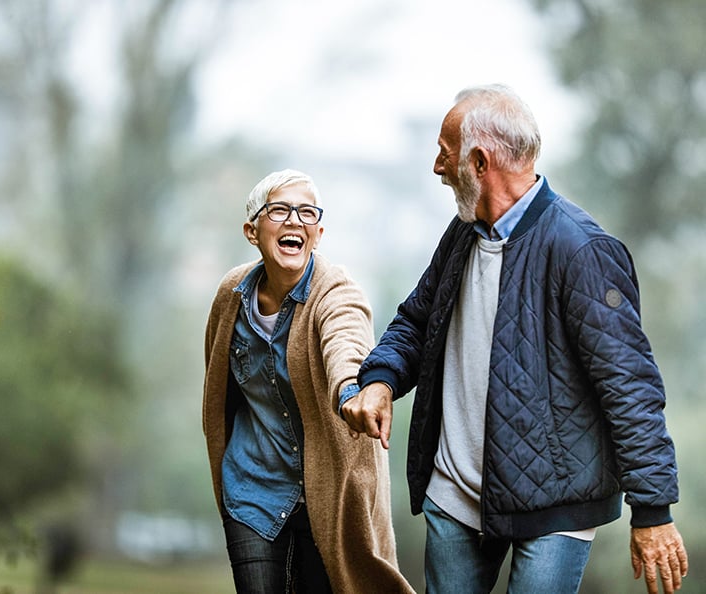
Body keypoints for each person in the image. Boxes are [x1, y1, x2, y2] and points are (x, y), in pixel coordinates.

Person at [341, 85, 689, 594]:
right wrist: (379, 380)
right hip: (455, 497)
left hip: (555, 506)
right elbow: (417, 322)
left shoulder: (582, 249)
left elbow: (629, 387)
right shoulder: (462, 233)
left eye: (444, 153)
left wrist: (652, 510)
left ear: (479, 162)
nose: (437, 168)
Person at [203, 169, 414, 593]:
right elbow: (218, 384)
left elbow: (346, 345)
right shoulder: (232, 296)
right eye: (279, 210)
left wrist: (352, 393)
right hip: (252, 487)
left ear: (318, 233)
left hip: (327, 495)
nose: (294, 221)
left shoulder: (336, 290)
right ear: (252, 230)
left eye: (305, 213)